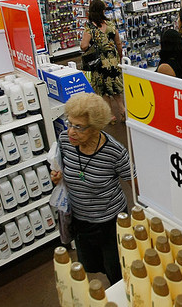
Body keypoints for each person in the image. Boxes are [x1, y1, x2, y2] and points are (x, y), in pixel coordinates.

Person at [50, 92, 134, 285]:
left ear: (96, 128)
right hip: (81, 221)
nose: (71, 131)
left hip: (110, 223)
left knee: (118, 271)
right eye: (69, 123)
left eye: (78, 127)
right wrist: (58, 178)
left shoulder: (115, 152)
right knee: (92, 265)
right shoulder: (65, 141)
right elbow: (63, 170)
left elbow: (134, 183)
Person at [80, 0, 125, 124]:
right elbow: (118, 43)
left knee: (103, 89)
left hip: (99, 62)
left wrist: (92, 46)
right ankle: (122, 110)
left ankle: (110, 115)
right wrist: (119, 57)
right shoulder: (110, 24)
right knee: (115, 86)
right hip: (113, 60)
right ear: (102, 11)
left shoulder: (90, 27)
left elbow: (83, 46)